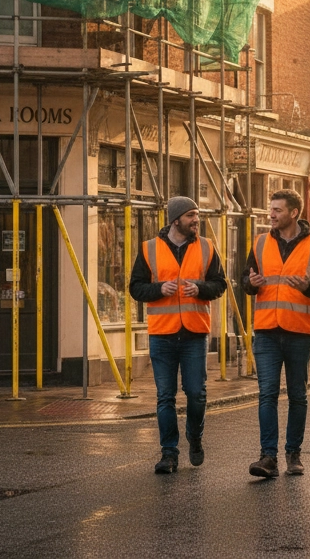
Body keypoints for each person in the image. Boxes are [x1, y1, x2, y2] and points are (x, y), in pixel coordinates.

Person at [241, 189, 310, 478]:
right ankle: (267, 457)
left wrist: (309, 287)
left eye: (277, 210)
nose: (271, 215)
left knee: (297, 395)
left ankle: (294, 454)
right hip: (267, 330)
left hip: (299, 331)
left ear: (294, 213)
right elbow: (245, 280)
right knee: (267, 393)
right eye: (271, 210)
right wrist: (252, 283)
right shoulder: (259, 243)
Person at [129, 196, 226, 474]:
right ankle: (169, 453)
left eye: (197, 214)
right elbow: (135, 288)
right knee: (165, 396)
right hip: (163, 334)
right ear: (175, 220)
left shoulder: (207, 247)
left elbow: (219, 285)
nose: (196, 219)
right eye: (190, 215)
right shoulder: (149, 249)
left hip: (195, 333)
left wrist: (201, 288)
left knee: (196, 394)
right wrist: (159, 289)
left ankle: (194, 437)